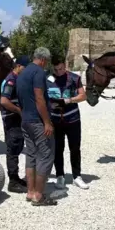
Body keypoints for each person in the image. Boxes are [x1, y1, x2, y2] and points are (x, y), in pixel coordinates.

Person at [16, 47, 57, 206]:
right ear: (44, 60)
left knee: (31, 155)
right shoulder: (39, 72)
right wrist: (47, 122)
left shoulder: (22, 73)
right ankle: (39, 195)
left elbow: (19, 98)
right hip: (37, 121)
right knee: (46, 155)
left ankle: (30, 191)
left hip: (26, 119)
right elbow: (39, 99)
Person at [47, 56, 89, 190]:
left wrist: (69, 100)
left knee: (75, 148)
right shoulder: (47, 79)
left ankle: (77, 176)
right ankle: (60, 176)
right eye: (56, 69)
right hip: (55, 120)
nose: (58, 72)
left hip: (72, 119)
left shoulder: (74, 78)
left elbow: (83, 96)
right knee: (58, 149)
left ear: (64, 66)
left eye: (60, 69)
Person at [0, 55, 31, 193]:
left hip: (17, 119)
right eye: (25, 67)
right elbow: (4, 101)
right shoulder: (11, 80)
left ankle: (16, 178)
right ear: (18, 66)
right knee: (12, 148)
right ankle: (12, 181)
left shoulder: (18, 79)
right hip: (11, 119)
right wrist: (19, 111)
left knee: (17, 147)